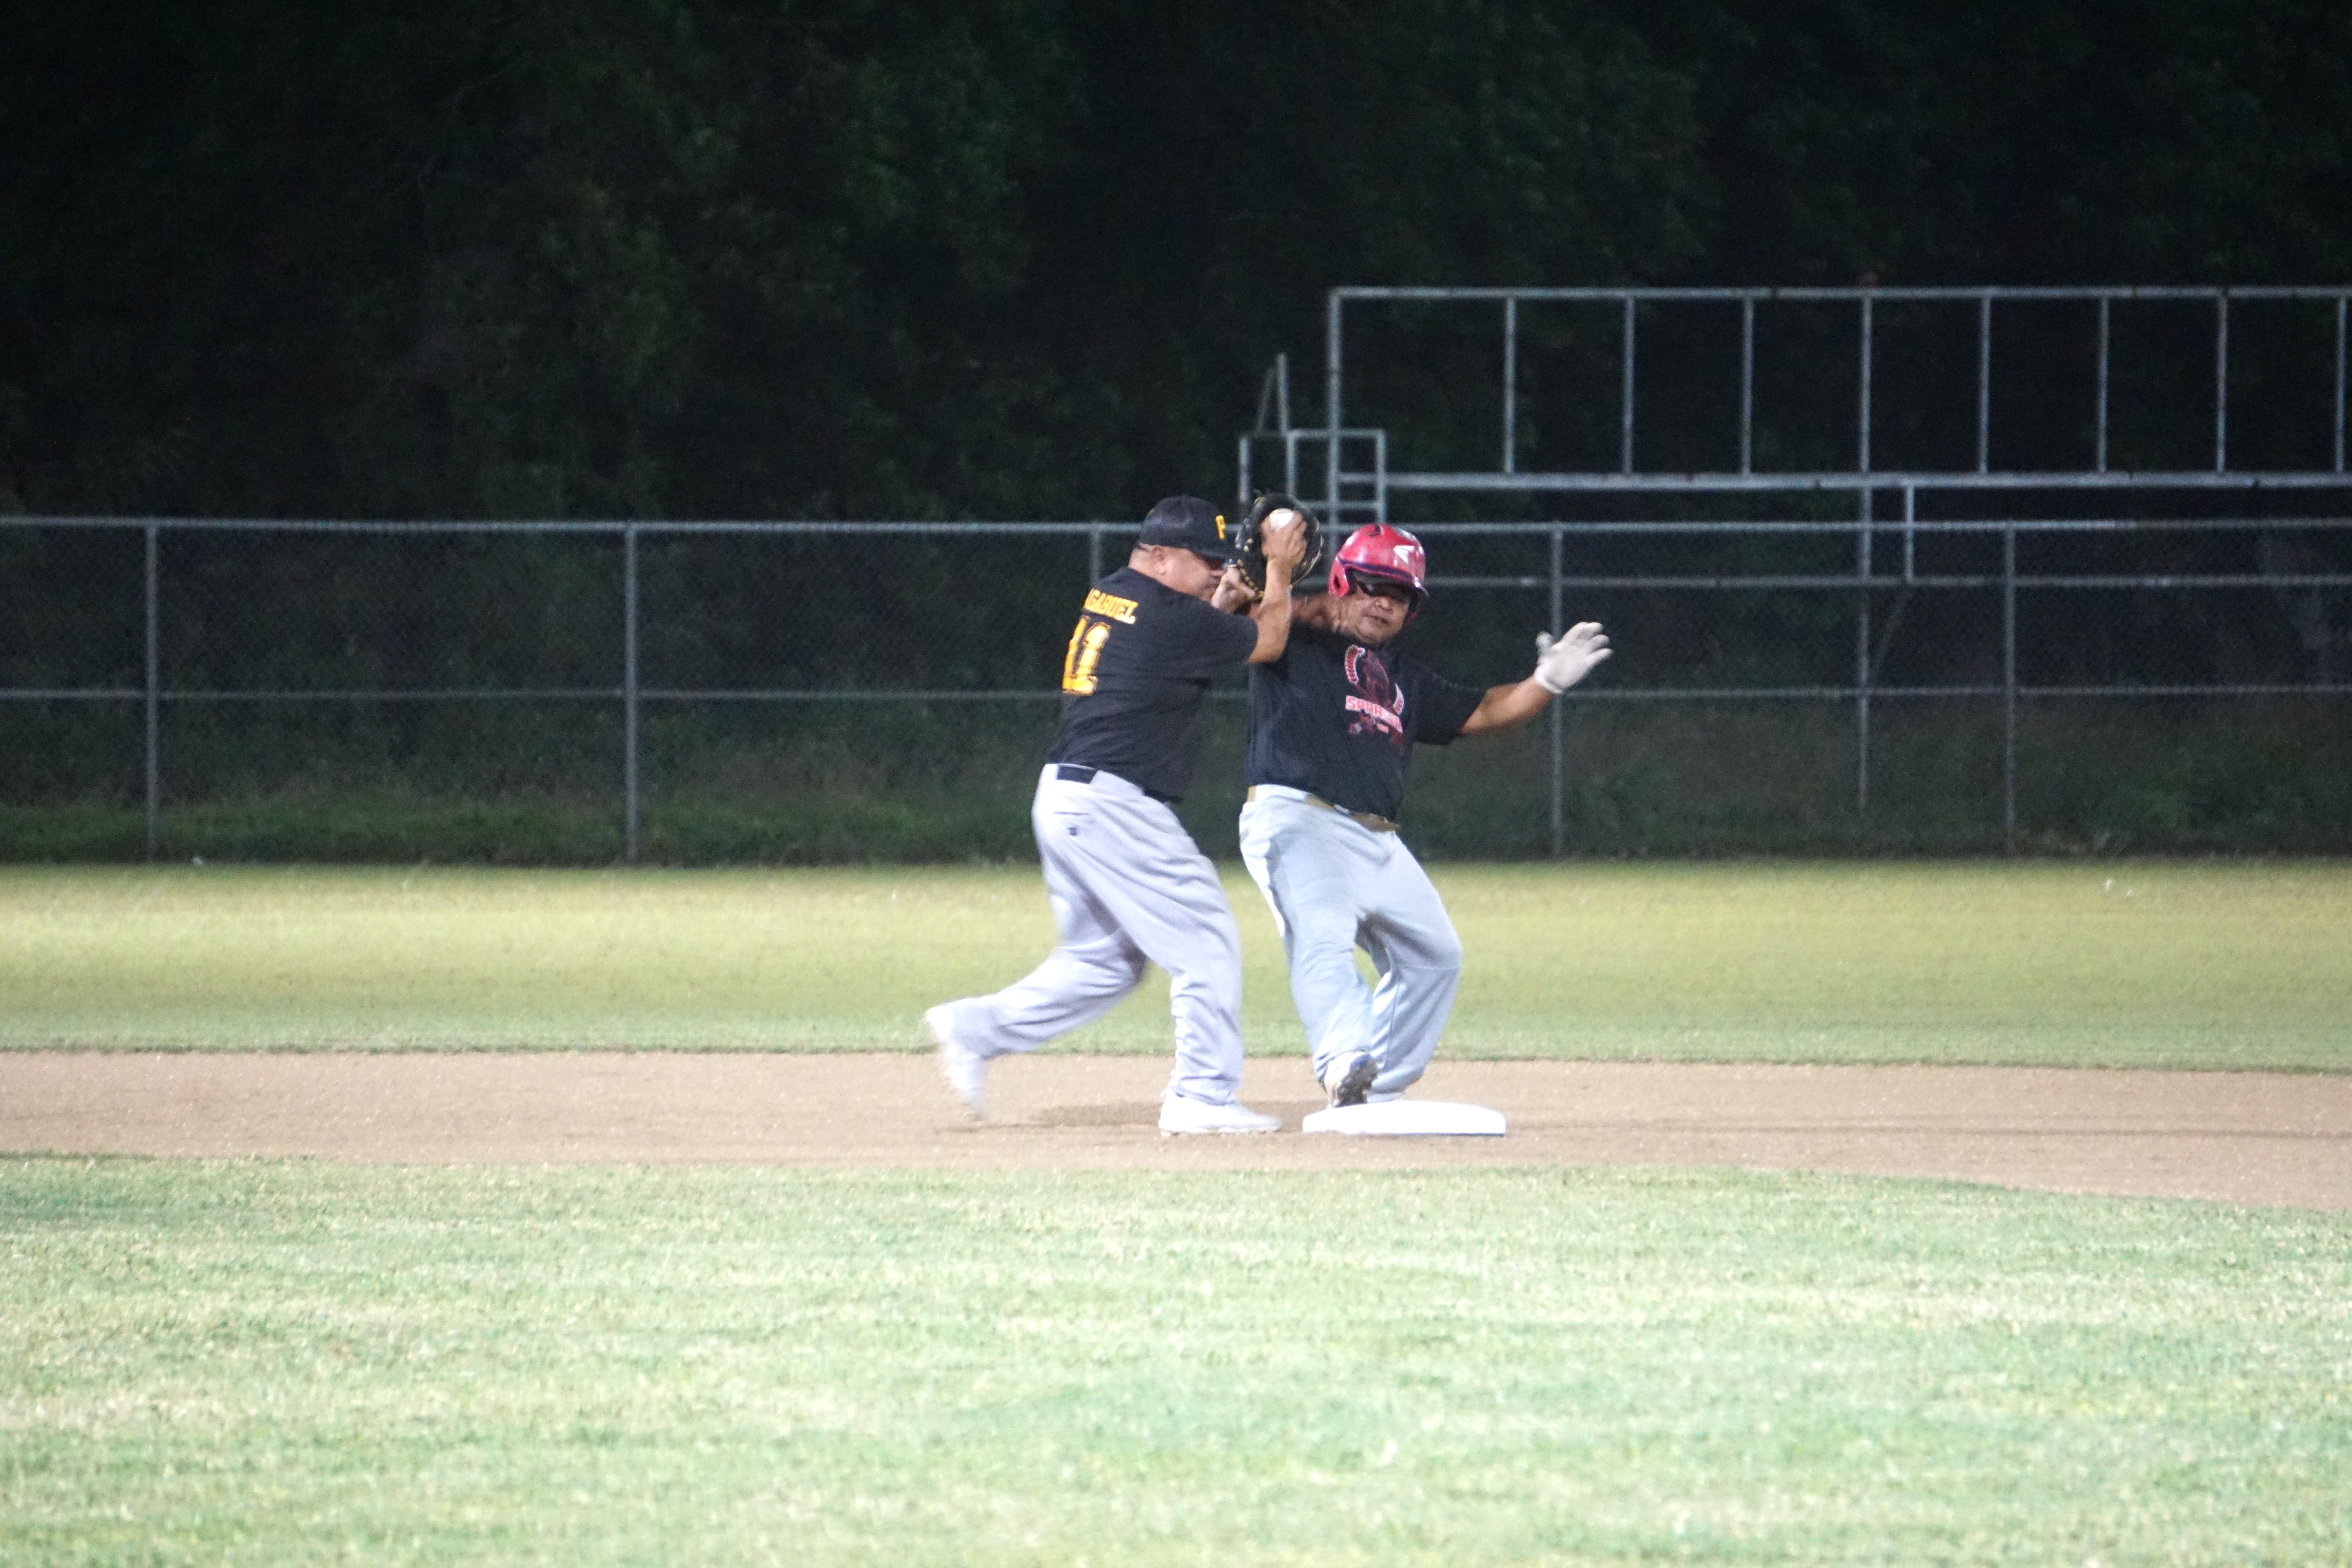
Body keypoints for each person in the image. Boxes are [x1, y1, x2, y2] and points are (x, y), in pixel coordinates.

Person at [926, 495, 1308, 1134]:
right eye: (1204, 560)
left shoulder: (1116, 593)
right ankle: (1201, 1096)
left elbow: (1176, 646)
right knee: (1205, 937)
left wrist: (1217, 603)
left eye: (1221, 560)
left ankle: (975, 1029)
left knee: (1105, 961)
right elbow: (1269, 642)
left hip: (1067, 795)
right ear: (1159, 557)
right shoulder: (1170, 615)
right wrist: (1279, 570)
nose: (1217, 570)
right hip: (1112, 802)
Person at [1237, 523, 1611, 1107]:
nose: (1386, 602)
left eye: (1402, 594)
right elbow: (1252, 621)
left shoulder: (1404, 677)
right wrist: (1273, 569)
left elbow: (1484, 710)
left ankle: (1373, 1089)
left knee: (1435, 957)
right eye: (1372, 586)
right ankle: (1341, 1057)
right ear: (1340, 581)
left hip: (1379, 840)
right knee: (1322, 938)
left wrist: (1545, 682)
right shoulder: (1295, 635)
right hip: (1300, 819)